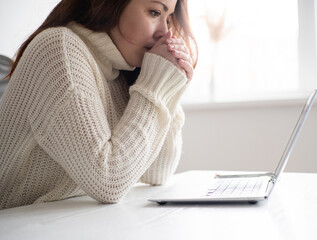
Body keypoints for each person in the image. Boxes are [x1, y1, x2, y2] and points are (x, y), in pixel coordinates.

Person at [0, 0, 197, 209]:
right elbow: (109, 183)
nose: (165, 32)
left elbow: (158, 171)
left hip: (64, 222)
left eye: (168, 18)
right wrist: (154, 87)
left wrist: (169, 88)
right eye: (155, 12)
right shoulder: (58, 50)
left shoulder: (122, 68)